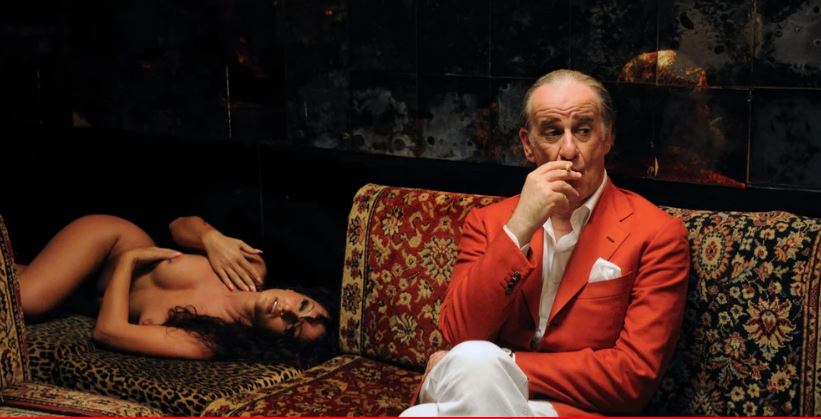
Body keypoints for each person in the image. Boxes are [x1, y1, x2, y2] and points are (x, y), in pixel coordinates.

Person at [401, 69, 691, 416]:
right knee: (472, 363)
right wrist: (520, 226)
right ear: (528, 145)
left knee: (428, 406)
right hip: (475, 387)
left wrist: (504, 364)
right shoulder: (489, 222)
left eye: (583, 131)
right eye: (553, 132)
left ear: (607, 138)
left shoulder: (657, 234)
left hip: (562, 409)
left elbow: (632, 378)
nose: (568, 150)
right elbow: (460, 335)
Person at [15, 214, 336, 366]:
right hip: (111, 244)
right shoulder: (250, 268)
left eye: (291, 326)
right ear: (297, 292)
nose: (287, 310)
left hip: (101, 280)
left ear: (276, 341)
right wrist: (211, 237)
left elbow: (108, 331)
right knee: (29, 300)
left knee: (14, 283)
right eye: (302, 305)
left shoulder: (211, 339)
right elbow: (177, 226)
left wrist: (129, 262)